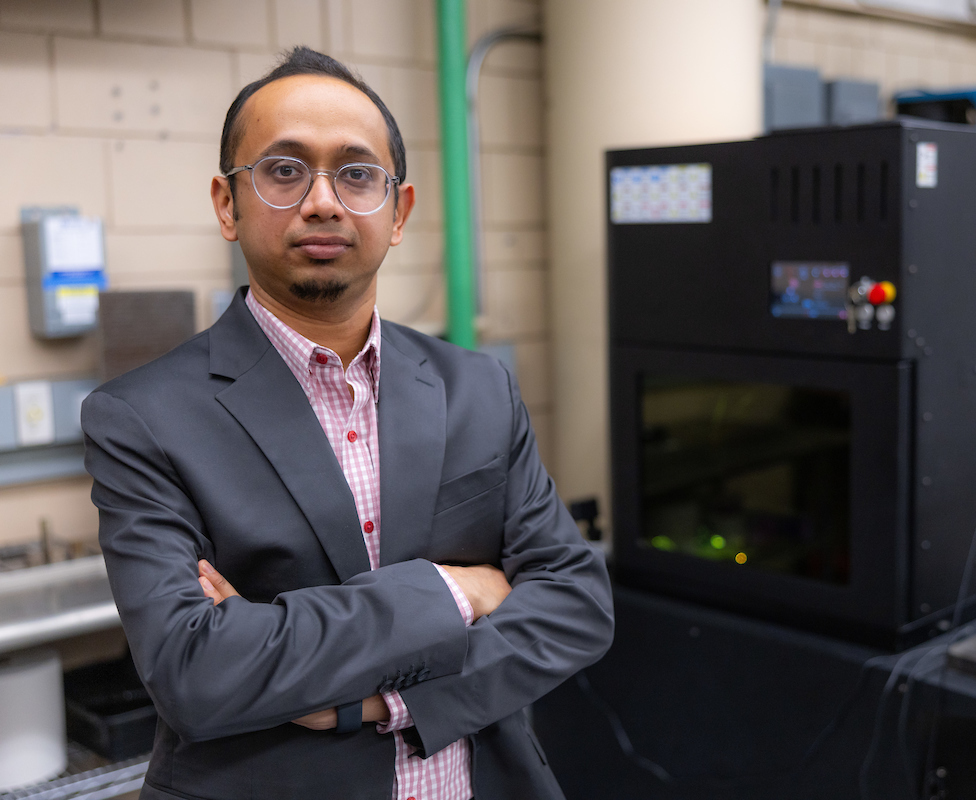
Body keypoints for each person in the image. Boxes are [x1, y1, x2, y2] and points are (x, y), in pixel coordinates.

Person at [81, 46, 614, 800]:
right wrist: (456, 592)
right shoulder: (142, 417)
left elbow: (575, 602)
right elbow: (196, 672)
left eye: (357, 174)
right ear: (227, 204)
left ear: (398, 213)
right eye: (284, 169)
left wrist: (377, 703)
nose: (323, 201)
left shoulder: (476, 388)